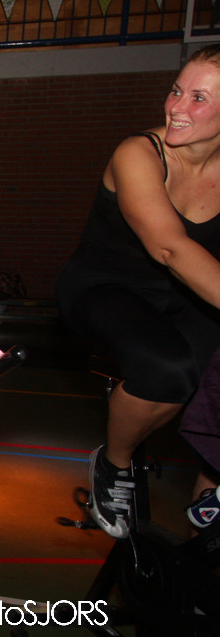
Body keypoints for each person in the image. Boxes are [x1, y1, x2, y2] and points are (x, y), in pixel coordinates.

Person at [57, 44, 220, 539]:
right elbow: (170, 248)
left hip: (186, 299)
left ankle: (207, 512)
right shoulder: (138, 153)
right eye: (176, 91)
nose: (176, 107)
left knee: (209, 377)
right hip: (106, 290)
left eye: (198, 98)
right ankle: (114, 462)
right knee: (168, 370)